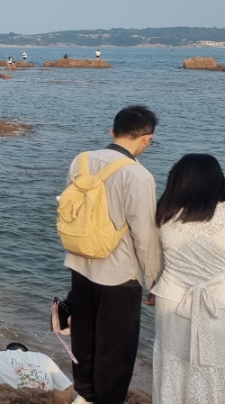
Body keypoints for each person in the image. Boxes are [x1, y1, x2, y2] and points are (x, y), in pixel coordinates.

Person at [64, 105, 160, 404]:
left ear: (113, 132)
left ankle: (83, 396)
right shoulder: (138, 176)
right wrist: (154, 280)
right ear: (146, 139)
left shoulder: (80, 161)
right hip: (120, 275)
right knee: (116, 352)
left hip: (79, 264)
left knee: (85, 341)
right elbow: (145, 237)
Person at [149, 153, 225, 403]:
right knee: (215, 365)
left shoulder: (165, 215)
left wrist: (153, 287)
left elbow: (155, 259)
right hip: (218, 302)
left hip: (171, 299)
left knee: (173, 364)